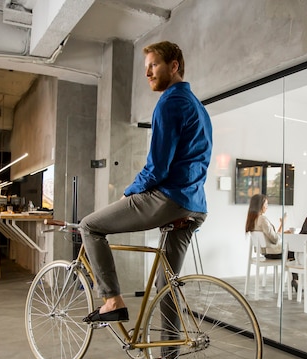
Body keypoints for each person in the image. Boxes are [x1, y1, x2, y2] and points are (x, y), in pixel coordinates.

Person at [79, 41, 212, 326]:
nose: (147, 73)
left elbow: (157, 167)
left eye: (153, 65)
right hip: (195, 204)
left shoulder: (169, 103)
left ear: (173, 66)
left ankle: (112, 301)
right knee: (167, 284)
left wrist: (129, 192)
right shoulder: (199, 108)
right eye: (146, 67)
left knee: (89, 226)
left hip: (168, 199)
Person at [245, 194, 286, 259]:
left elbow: (271, 237)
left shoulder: (252, 220)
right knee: (295, 251)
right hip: (273, 253)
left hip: (264, 253)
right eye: (266, 204)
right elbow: (275, 240)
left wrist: (281, 226)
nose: (267, 207)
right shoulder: (262, 219)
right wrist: (282, 225)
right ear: (260, 205)